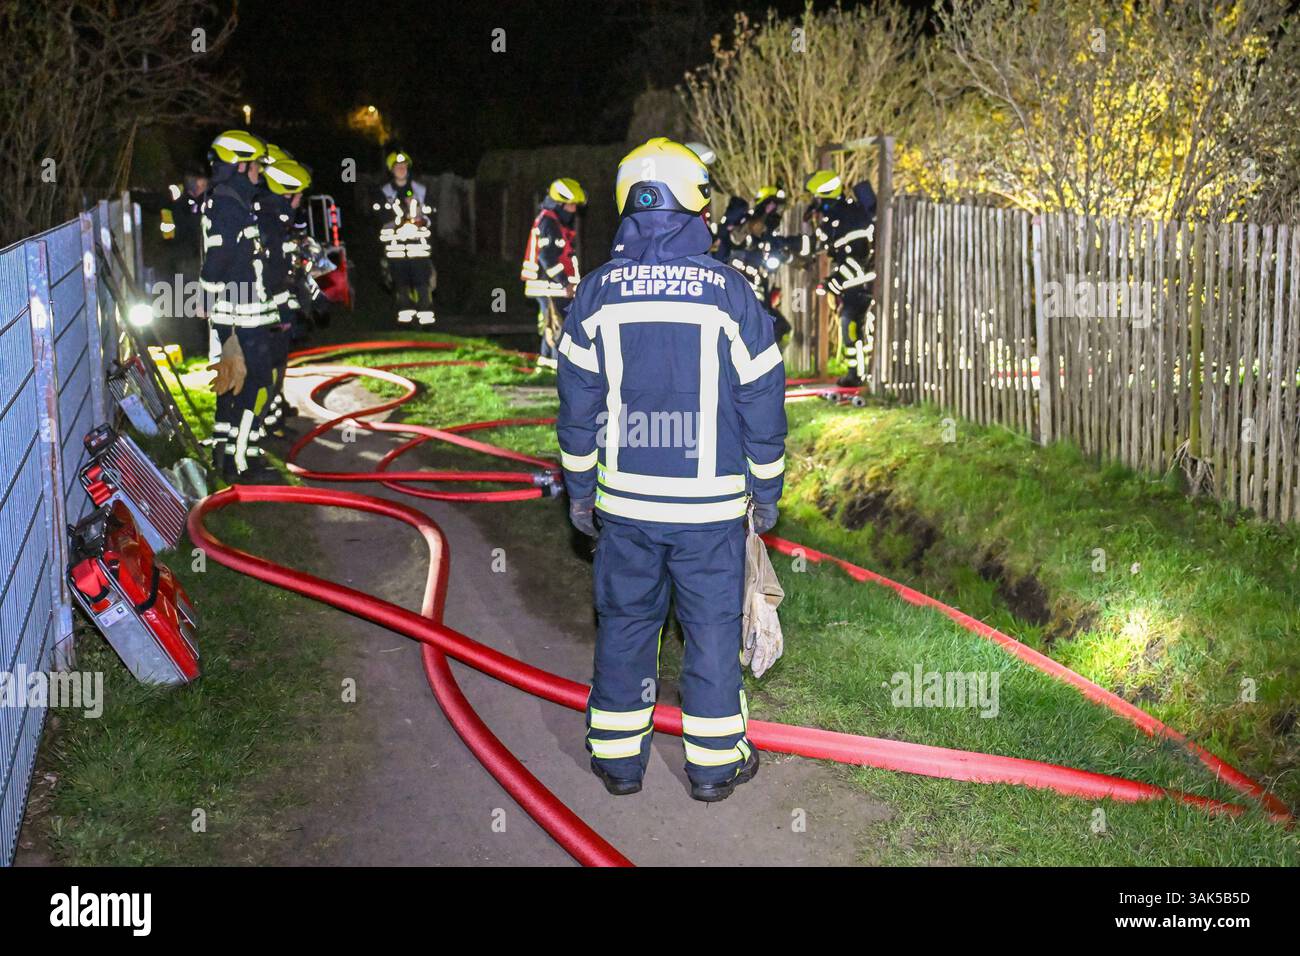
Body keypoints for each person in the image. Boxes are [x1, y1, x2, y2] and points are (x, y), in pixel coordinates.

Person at [556, 138, 787, 802]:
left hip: (625, 507)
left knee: (626, 623)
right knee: (712, 633)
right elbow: (761, 403)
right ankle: (714, 768)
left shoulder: (598, 293)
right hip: (709, 512)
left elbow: (577, 407)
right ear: (694, 201)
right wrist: (766, 490)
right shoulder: (730, 293)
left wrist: (579, 491)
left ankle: (618, 762)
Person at [200, 129, 281, 481]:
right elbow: (218, 256)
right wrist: (206, 296)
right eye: (255, 165)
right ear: (238, 164)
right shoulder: (228, 204)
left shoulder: (237, 201)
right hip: (238, 316)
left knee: (235, 384)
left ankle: (229, 454)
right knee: (254, 383)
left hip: (244, 314)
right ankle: (240, 461)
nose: (260, 172)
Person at [804, 170, 876, 386]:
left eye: (817, 198)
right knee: (852, 329)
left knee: (852, 329)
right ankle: (857, 372)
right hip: (856, 283)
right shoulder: (842, 215)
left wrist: (831, 283)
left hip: (860, 284)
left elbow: (856, 259)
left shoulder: (846, 218)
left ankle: (857, 375)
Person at [521, 178, 585, 369]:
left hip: (552, 286)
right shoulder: (549, 223)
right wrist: (565, 283)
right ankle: (558, 366)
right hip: (549, 286)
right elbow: (547, 259)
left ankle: (548, 363)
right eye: (571, 205)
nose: (574, 209)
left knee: (552, 325)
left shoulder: (552, 221)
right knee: (558, 326)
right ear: (559, 203)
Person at [373, 148, 435, 325]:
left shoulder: (420, 190)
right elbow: (380, 218)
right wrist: (399, 220)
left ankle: (426, 318)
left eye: (404, 165)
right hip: (396, 248)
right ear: (391, 170)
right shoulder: (383, 193)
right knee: (401, 283)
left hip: (418, 246)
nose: (401, 169)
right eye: (397, 166)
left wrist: (421, 219)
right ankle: (406, 318)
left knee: (423, 281)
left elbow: (431, 214)